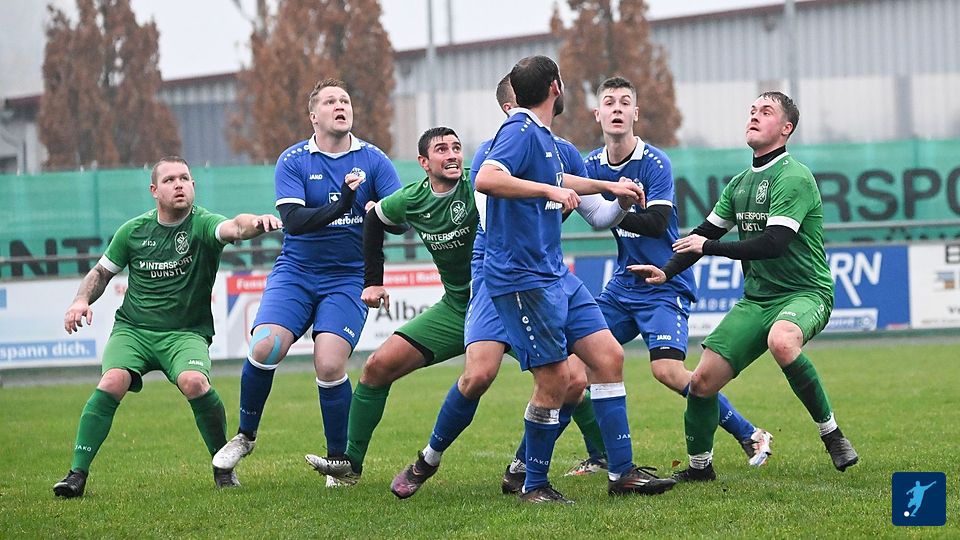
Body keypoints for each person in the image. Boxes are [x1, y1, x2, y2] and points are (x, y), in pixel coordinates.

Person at [388, 76, 634, 500]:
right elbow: (492, 208)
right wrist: (548, 192)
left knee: (573, 379)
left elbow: (598, 216)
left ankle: (525, 468)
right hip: (501, 275)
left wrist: (619, 200)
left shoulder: (561, 150)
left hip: (545, 272)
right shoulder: (498, 147)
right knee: (479, 375)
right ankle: (428, 459)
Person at [629, 91, 858, 482]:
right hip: (757, 300)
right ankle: (700, 469)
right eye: (752, 110)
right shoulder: (740, 183)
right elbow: (702, 235)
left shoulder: (794, 177)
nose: (754, 116)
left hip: (806, 293)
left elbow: (773, 244)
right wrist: (666, 272)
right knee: (701, 382)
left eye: (765, 111)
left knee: (782, 341)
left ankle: (831, 434)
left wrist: (709, 247)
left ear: (785, 129)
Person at [478, 55, 676, 503]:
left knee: (607, 356)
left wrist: (612, 190)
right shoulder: (519, 129)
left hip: (554, 274)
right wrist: (551, 190)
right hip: (523, 278)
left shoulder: (544, 138)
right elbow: (488, 178)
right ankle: (533, 483)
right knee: (555, 380)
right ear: (556, 87)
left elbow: (576, 192)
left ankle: (621, 473)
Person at [52, 156, 282, 498]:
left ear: (193, 186)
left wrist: (257, 223)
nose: (179, 185)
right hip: (133, 331)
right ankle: (76, 475)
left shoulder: (203, 224)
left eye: (185, 178)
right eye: (170, 180)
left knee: (195, 382)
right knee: (112, 381)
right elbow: (101, 273)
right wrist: (80, 300)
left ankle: (223, 466)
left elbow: (235, 227)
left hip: (185, 333)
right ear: (154, 190)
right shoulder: (133, 231)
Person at [212, 79, 402, 486]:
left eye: (345, 100)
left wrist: (382, 212)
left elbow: (401, 220)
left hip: (348, 277)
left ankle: (339, 463)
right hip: (296, 272)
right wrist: (345, 203)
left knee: (330, 363)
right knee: (265, 346)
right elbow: (295, 222)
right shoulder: (294, 160)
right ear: (313, 115)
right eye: (330, 101)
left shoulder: (373, 160)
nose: (340, 106)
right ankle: (245, 436)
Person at [580, 76, 773, 467]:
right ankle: (598, 457)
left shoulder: (654, 162)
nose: (617, 109)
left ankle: (750, 433)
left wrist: (611, 207)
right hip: (623, 285)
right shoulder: (590, 166)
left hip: (664, 282)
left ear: (635, 113)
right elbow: (573, 198)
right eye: (609, 102)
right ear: (597, 113)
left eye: (625, 103)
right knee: (575, 366)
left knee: (667, 370)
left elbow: (656, 223)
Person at [302, 126, 479, 485]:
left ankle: (591, 457)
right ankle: (350, 465)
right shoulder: (413, 197)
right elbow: (375, 218)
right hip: (458, 308)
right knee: (376, 368)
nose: (452, 155)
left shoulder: (478, 185)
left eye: (457, 148)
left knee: (562, 379)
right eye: (442, 149)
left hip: (501, 304)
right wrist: (372, 281)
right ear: (424, 162)